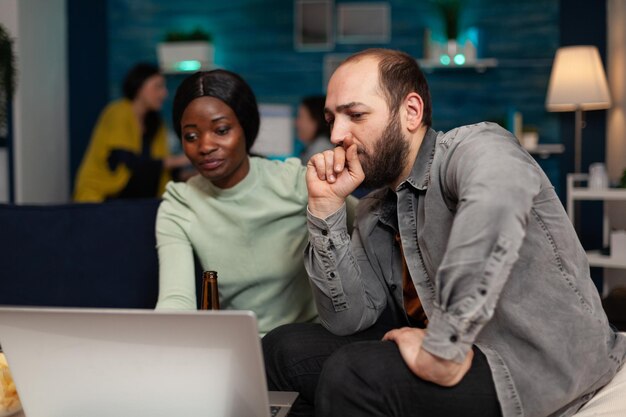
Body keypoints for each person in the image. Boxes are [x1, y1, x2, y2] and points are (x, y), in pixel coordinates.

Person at [263, 48, 626, 417]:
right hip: (452, 351)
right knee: (281, 350)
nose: (337, 135)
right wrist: (326, 209)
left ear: (411, 112)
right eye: (331, 119)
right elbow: (347, 318)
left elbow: (495, 207)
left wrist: (441, 349)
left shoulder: (476, 147)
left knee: (354, 374)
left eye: (355, 115)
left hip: (536, 363)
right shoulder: (375, 209)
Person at [155, 70, 353, 335]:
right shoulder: (180, 203)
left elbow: (373, 226)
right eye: (191, 136)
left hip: (306, 342)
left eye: (221, 130)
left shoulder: (295, 182)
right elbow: (176, 301)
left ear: (246, 129)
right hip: (240, 345)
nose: (204, 146)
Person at [73, 63, 188, 202]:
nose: (164, 93)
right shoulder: (118, 112)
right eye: (158, 86)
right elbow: (128, 161)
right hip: (103, 199)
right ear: (139, 88)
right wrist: (182, 159)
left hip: (139, 202)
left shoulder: (156, 123)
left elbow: (162, 171)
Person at [296, 95, 333, 163]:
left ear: (316, 120)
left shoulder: (321, 150)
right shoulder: (313, 147)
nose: (297, 123)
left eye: (301, 117)